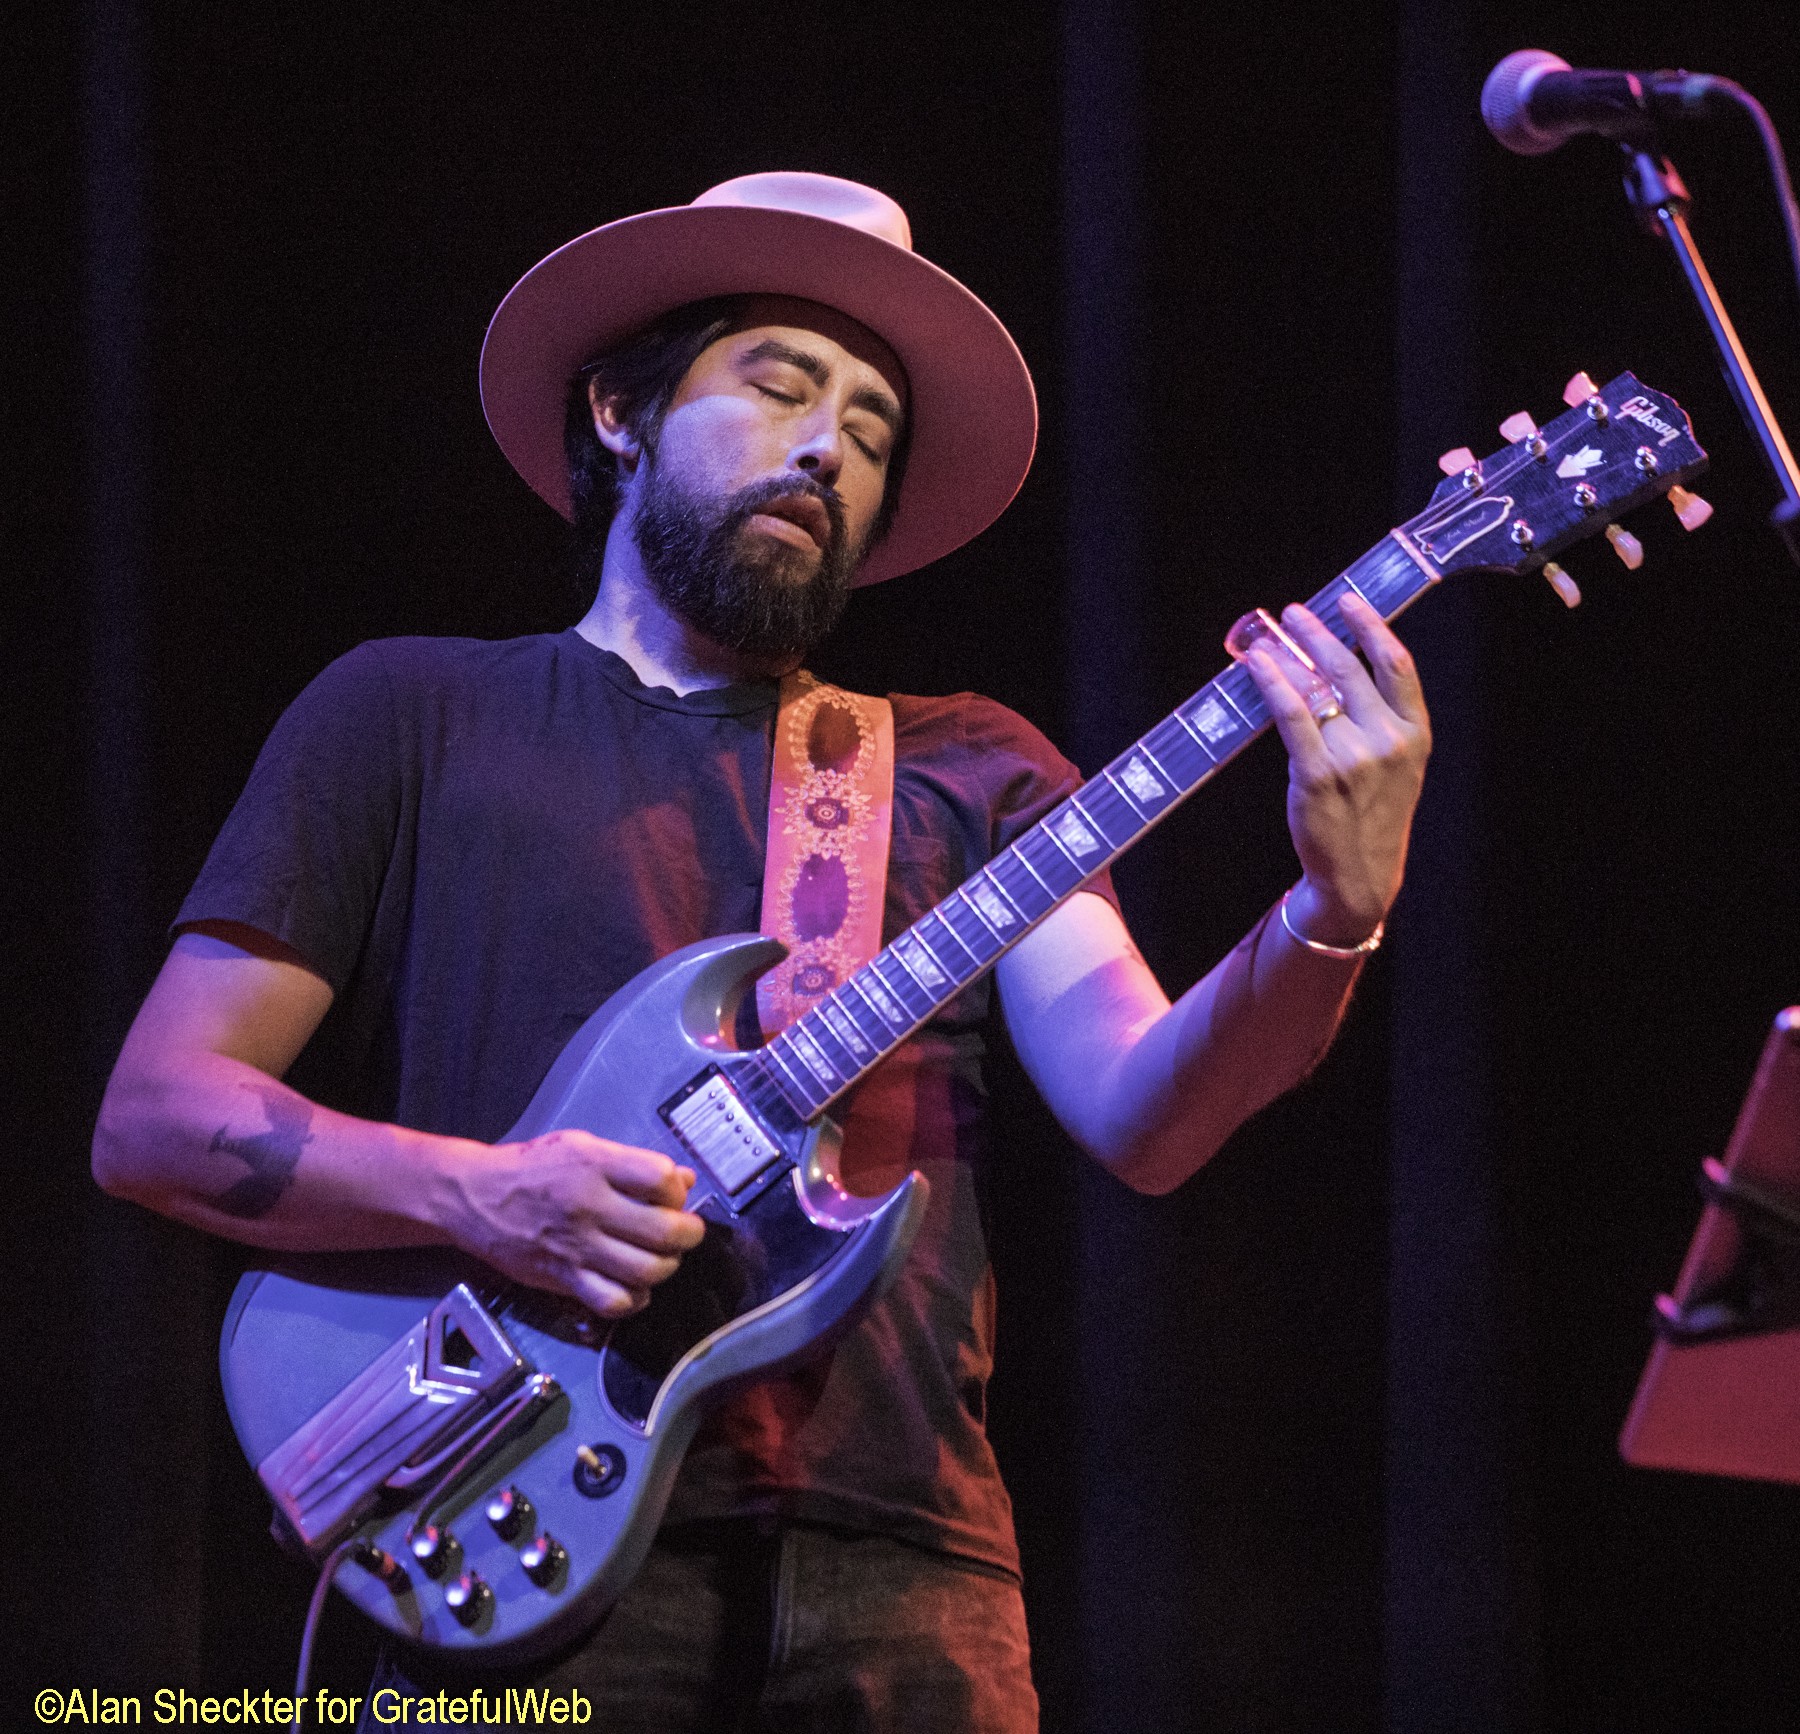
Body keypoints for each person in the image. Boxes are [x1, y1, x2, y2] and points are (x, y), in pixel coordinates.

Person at [92, 173, 1430, 1732]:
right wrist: (487, 1195)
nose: (826, 449)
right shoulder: (407, 713)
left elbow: (1148, 1112)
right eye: (780, 386)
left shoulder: (964, 764)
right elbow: (158, 1117)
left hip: (902, 1571)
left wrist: (1332, 914)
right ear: (617, 410)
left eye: (870, 431)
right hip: (509, 1521)